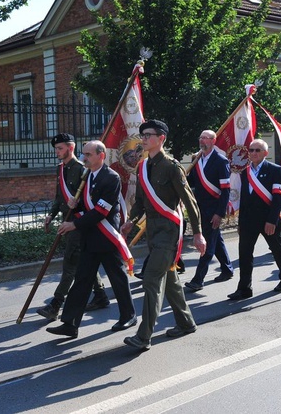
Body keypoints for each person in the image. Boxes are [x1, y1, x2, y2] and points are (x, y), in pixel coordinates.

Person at [120, 120, 206, 351]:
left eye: (148, 135)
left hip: (169, 233)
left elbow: (190, 201)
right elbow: (141, 201)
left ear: (161, 138)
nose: (144, 139)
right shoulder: (143, 167)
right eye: (142, 135)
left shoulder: (172, 167)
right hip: (154, 232)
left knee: (151, 280)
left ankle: (144, 336)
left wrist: (198, 234)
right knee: (170, 281)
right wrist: (131, 221)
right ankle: (186, 322)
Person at [46, 141, 137, 338]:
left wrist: (74, 225)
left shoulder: (111, 178)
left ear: (101, 155)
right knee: (82, 280)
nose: (84, 157)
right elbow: (86, 207)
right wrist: (75, 206)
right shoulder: (86, 176)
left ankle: (128, 316)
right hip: (89, 238)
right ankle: (70, 324)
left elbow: (101, 210)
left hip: (105, 236)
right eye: (84, 154)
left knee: (117, 278)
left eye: (88, 154)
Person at [38, 133, 109, 321]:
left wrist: (76, 210)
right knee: (81, 261)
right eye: (55, 149)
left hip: (78, 223)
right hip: (66, 221)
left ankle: (55, 304)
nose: (57, 152)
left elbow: (90, 200)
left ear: (71, 148)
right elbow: (59, 196)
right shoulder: (60, 169)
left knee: (70, 263)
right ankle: (100, 295)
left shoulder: (82, 169)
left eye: (60, 148)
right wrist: (51, 215)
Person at [228, 139, 281, 300]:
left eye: (257, 150)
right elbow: (243, 199)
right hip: (249, 221)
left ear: (265, 153)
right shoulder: (245, 172)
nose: (254, 153)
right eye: (251, 150)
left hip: (268, 220)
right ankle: (244, 288)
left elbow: (279, 198)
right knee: (244, 254)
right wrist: (241, 222)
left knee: (277, 249)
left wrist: (272, 220)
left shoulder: (275, 170)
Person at [184, 130, 234, 292]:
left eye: (205, 138)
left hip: (214, 209)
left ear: (213, 141)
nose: (201, 141)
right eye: (200, 138)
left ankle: (198, 279)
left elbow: (225, 190)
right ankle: (227, 269)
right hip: (200, 208)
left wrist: (220, 213)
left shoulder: (221, 161)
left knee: (208, 245)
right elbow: (192, 181)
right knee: (215, 239)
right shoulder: (196, 158)